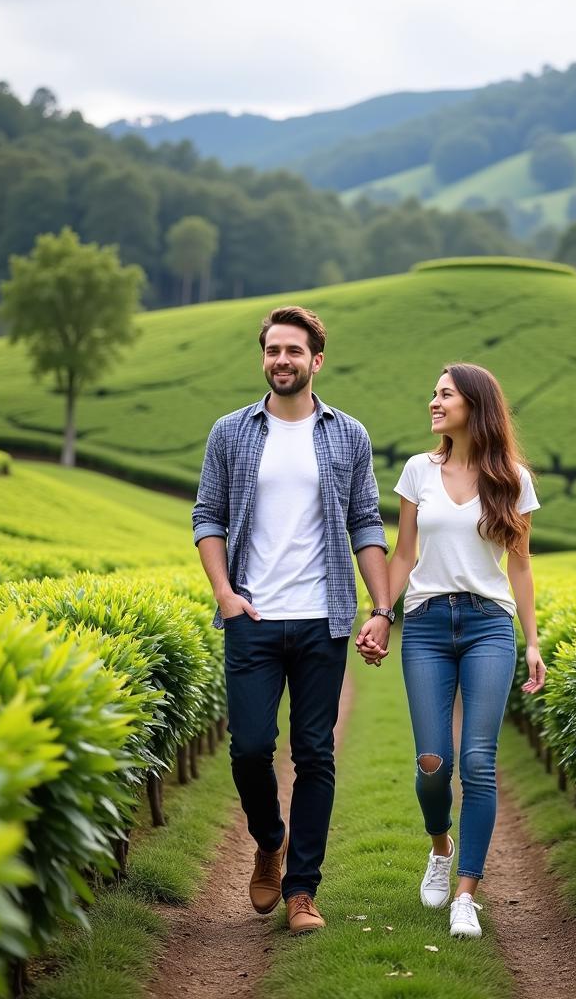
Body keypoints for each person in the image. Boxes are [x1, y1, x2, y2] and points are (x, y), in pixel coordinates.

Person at [192, 305, 392, 936]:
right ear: (264, 358)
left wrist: (381, 608)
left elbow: (366, 522)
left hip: (321, 618)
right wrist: (225, 594)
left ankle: (302, 889)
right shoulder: (231, 431)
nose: (283, 360)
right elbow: (207, 517)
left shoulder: (347, 435)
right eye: (273, 350)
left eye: (294, 351)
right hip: (251, 615)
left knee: (314, 755)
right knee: (250, 748)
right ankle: (269, 841)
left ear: (316, 361)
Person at [368, 362, 545, 939]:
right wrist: (381, 613)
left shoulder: (512, 478)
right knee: (433, 763)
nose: (434, 402)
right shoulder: (419, 470)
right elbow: (402, 554)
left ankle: (467, 892)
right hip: (425, 624)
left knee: (478, 763)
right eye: (434, 392)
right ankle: (440, 846)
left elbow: (520, 566)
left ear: (475, 404)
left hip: (488, 626)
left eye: (445, 394)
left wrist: (533, 641)